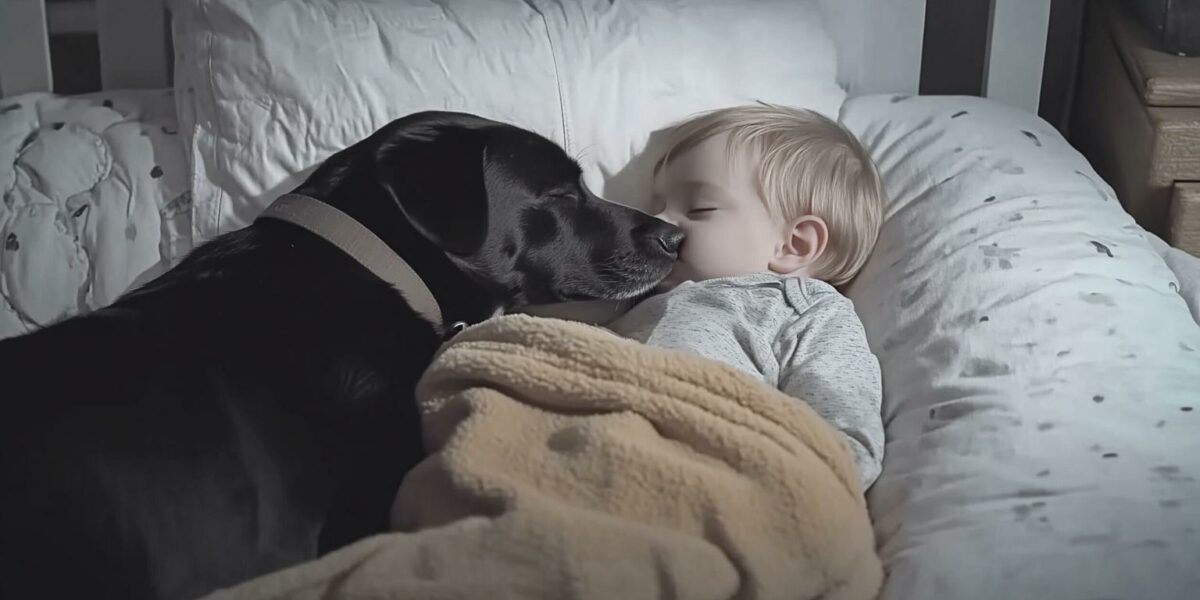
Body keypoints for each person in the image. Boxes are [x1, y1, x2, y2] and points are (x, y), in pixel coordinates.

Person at [606, 103, 886, 490]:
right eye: (656, 208)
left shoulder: (804, 308)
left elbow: (844, 421)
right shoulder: (637, 292)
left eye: (700, 207)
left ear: (793, 245)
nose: (659, 224)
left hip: (705, 463)